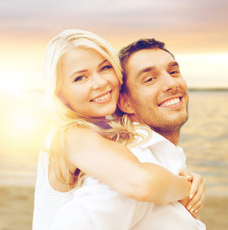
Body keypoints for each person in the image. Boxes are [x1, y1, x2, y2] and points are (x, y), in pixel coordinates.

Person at [32, 29, 205, 229]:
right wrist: (187, 186)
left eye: (105, 68)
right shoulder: (69, 135)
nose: (100, 83)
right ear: (60, 94)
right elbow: (142, 183)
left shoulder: (110, 134)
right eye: (80, 78)